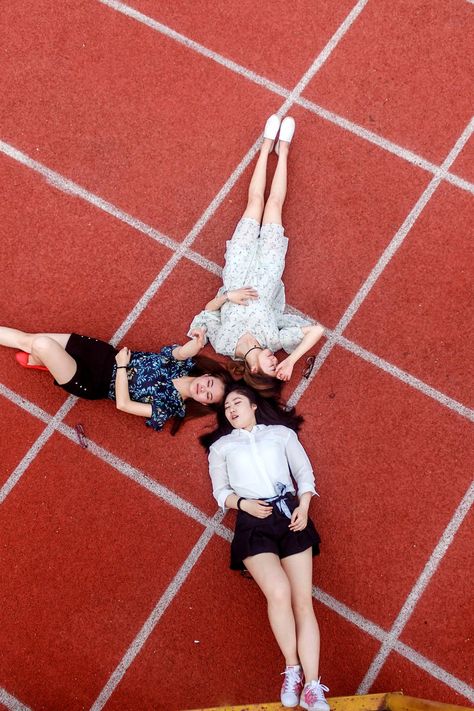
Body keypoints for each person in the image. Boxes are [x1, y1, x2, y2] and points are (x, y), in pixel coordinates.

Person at [201, 385, 329, 711]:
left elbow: (304, 473)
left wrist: (304, 506)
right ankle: (293, 669)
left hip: (290, 515)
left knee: (302, 602)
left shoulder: (281, 434)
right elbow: (221, 492)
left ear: (253, 406)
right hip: (253, 521)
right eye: (227, 406)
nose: (230, 408)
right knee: (279, 592)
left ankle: (313, 688)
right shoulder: (221, 447)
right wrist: (243, 503)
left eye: (237, 402)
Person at [189, 114, 324, 395]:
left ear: (253, 370)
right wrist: (292, 361)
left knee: (254, 202)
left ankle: (265, 146)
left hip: (237, 269)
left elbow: (207, 312)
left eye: (271, 367)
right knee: (274, 204)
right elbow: (317, 331)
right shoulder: (273, 340)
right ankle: (283, 151)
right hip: (269, 270)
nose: (276, 361)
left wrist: (228, 297)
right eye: (278, 365)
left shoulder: (224, 344)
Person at [0, 326, 229, 432]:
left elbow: (124, 404)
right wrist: (197, 344)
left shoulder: (167, 408)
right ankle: (42, 361)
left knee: (41, 344)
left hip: (92, 381)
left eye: (208, 395)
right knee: (28, 339)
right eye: (209, 384)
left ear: (205, 403)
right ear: (207, 375)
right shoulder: (182, 366)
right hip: (101, 354)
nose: (203, 389)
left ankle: (44, 359)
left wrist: (121, 366)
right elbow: (180, 352)